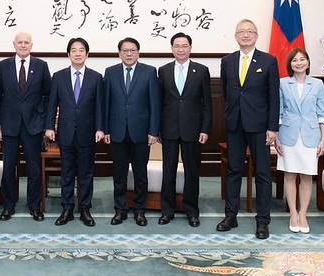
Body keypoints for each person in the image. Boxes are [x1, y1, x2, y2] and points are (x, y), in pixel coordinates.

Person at [218, 19, 279, 239]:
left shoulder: (269, 61)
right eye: (241, 31)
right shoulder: (227, 61)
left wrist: (273, 128)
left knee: (263, 173)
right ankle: (230, 216)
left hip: (260, 127)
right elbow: (226, 92)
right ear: (235, 35)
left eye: (250, 31)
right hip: (235, 124)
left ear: (256, 35)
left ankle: (262, 221)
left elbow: (274, 96)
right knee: (234, 171)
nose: (245, 35)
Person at [0, 32, 51, 221]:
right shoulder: (3, 66)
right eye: (20, 42)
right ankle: (8, 206)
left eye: (26, 43)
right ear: (14, 44)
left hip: (33, 126)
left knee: (34, 169)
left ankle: (34, 206)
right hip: (8, 125)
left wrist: (43, 118)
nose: (23, 45)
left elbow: (48, 95)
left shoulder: (41, 66)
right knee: (8, 167)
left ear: (31, 45)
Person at [45, 38, 104, 227]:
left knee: (86, 173)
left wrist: (100, 128)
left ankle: (85, 208)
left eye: (81, 50)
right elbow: (52, 104)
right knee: (67, 173)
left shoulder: (96, 77)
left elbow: (99, 107)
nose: (77, 53)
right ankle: (67, 209)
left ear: (87, 54)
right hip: (66, 133)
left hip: (88, 133)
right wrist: (49, 127)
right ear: (68, 54)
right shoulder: (59, 76)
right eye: (73, 50)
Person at [103, 37, 160, 226]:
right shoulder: (110, 73)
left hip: (141, 133)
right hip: (117, 132)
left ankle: (139, 210)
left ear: (138, 52)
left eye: (132, 50)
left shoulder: (149, 72)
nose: (129, 54)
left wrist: (153, 131)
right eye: (125, 50)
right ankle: (120, 210)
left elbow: (154, 104)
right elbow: (106, 104)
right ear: (119, 53)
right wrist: (106, 129)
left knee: (140, 174)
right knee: (119, 174)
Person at [157, 32, 212, 228]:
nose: (181, 49)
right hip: (169, 129)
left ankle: (191, 211)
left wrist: (205, 129)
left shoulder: (202, 70)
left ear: (190, 48)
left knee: (192, 172)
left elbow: (207, 103)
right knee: (168, 171)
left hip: (193, 130)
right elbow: (159, 103)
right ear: (172, 49)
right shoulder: (162, 71)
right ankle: (167, 211)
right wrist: (157, 130)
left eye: (184, 45)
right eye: (177, 46)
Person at [274, 48, 324, 234]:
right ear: (289, 64)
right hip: (288, 135)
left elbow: (322, 113)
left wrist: (323, 138)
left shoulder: (318, 84)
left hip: (311, 136)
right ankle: (293, 214)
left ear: (308, 62)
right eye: (295, 60)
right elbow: (278, 112)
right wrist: (277, 137)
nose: (298, 62)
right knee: (289, 175)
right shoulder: (282, 83)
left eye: (302, 59)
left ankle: (303, 213)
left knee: (306, 176)